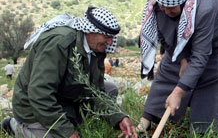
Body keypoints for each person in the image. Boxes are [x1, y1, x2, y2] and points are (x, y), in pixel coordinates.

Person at [138, 0, 218, 136]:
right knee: (172, 64)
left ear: (184, 1)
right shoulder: (159, 4)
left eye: (170, 9)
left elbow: (201, 56)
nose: (166, 12)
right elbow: (166, 37)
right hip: (188, 22)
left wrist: (179, 92)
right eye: (163, 8)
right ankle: (153, 117)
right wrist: (182, 59)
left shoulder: (204, 8)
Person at [1, 7, 137, 138]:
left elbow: (97, 91)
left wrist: (119, 118)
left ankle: (70, 119)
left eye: (112, 37)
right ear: (90, 31)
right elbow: (40, 94)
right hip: (33, 106)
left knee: (110, 89)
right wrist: (66, 131)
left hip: (66, 97)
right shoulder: (58, 44)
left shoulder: (97, 48)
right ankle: (16, 126)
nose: (110, 42)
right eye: (106, 36)